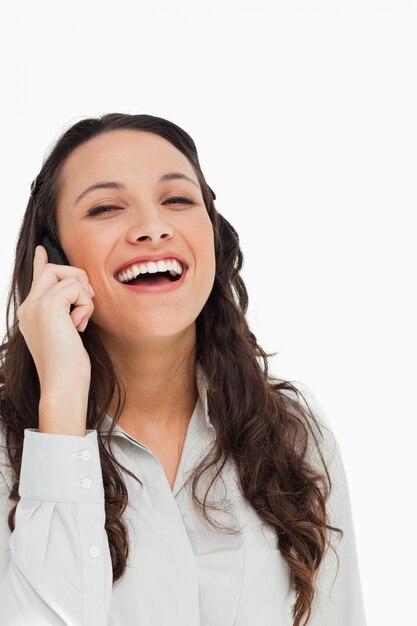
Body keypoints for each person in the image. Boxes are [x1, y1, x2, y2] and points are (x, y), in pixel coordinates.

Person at [0, 113, 367, 626]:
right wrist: (60, 399)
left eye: (177, 200)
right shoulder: (6, 451)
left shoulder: (293, 434)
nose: (153, 228)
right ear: (51, 257)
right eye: (106, 207)